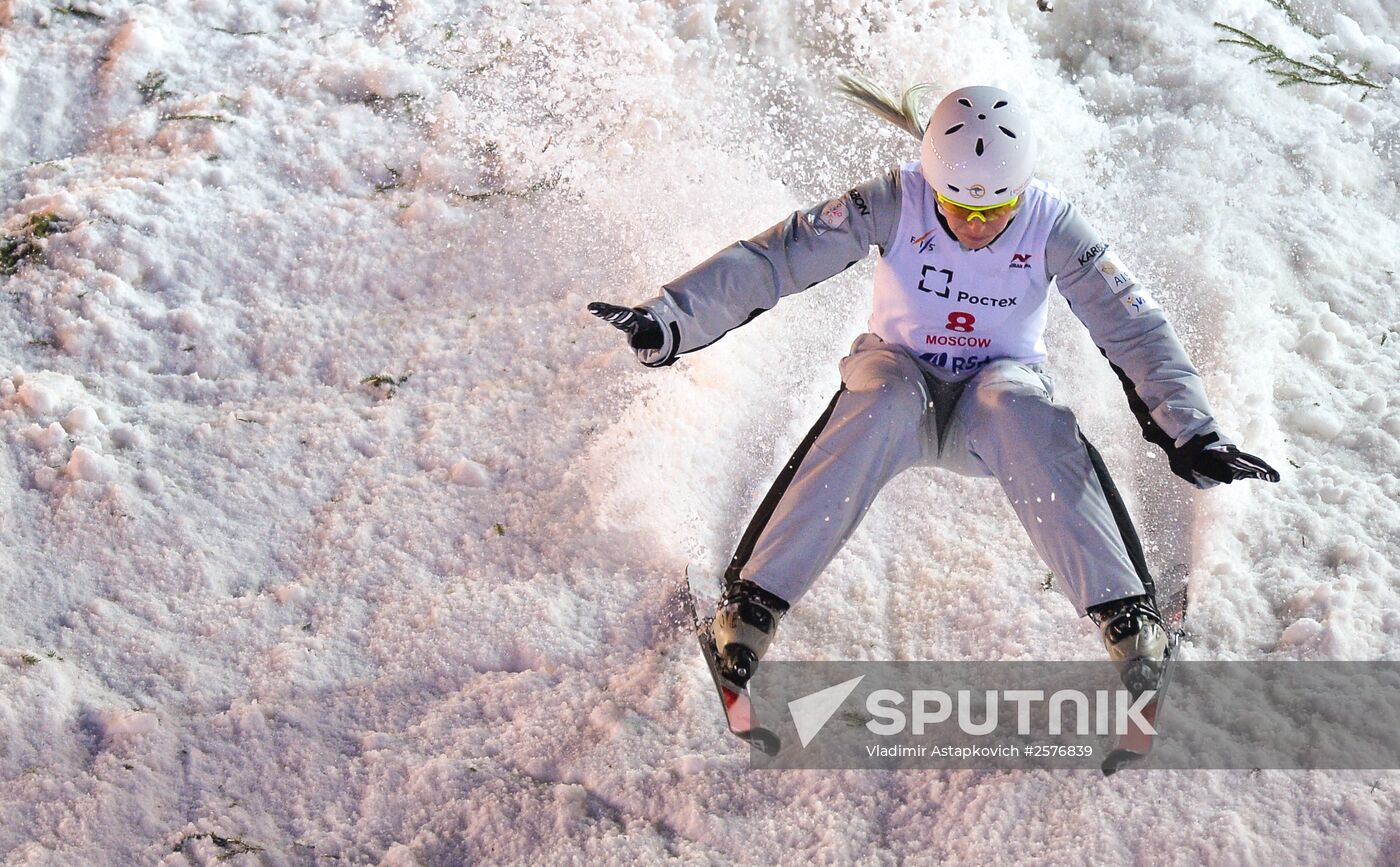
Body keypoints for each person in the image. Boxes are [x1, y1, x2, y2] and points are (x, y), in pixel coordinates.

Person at [589, 78, 1279, 692]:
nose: (974, 227)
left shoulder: (1055, 224)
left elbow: (1133, 326)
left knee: (1019, 404)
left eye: (995, 209)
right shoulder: (894, 198)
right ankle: (751, 606)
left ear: (1022, 189)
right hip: (901, 386)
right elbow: (779, 256)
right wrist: (669, 318)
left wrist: (1193, 428)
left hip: (992, 407)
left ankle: (1131, 617)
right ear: (933, 183)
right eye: (958, 206)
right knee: (880, 395)